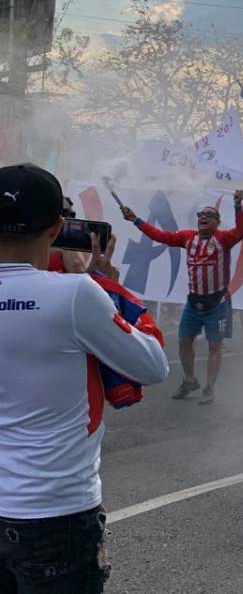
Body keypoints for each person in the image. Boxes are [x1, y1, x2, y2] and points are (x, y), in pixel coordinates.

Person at [0, 164, 170, 593]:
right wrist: (106, 283)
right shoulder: (77, 292)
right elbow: (152, 365)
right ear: (58, 228)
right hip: (56, 512)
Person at [120, 191, 243, 405]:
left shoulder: (223, 239)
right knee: (184, 341)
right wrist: (135, 219)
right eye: (200, 214)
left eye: (209, 215)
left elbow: (241, 231)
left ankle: (209, 388)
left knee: (215, 346)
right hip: (193, 303)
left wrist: (237, 206)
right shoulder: (188, 238)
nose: (203, 217)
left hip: (217, 304)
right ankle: (189, 380)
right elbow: (160, 236)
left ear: (217, 223)